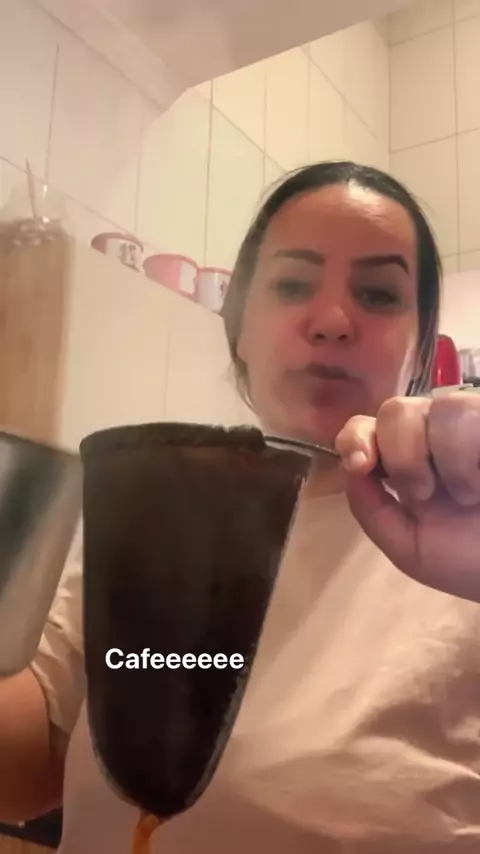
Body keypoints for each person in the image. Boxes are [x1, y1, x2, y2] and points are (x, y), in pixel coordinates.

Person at [2, 160, 480, 853]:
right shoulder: (152, 512)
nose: (332, 320)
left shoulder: (463, 554)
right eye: (292, 284)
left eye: (378, 294)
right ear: (240, 329)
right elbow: (22, 772)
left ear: (422, 347)